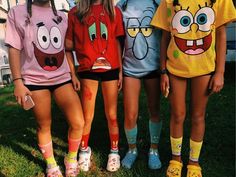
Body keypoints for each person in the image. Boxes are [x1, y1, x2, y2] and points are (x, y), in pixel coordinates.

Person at [151, 0, 236, 176]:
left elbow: (221, 34)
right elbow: (165, 36)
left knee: (198, 116)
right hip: (175, 68)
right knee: (177, 114)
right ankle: (176, 159)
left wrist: (220, 71)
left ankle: (193, 162)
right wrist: (163, 71)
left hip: (204, 69)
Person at [5, 0, 85, 176]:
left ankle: (71, 158)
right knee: (44, 125)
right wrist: (18, 81)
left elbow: (65, 49)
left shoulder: (61, 16)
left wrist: (72, 73)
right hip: (35, 81)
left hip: (62, 78)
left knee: (78, 122)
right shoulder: (17, 13)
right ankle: (51, 164)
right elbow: (13, 49)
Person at [65, 0, 124, 172]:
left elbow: (118, 43)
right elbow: (67, 47)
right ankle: (84, 149)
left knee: (111, 114)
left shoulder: (114, 11)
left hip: (111, 68)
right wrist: (72, 72)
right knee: (87, 115)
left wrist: (120, 70)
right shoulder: (75, 12)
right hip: (87, 70)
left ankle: (114, 151)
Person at [116, 0, 163, 170]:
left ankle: (154, 149)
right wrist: (119, 69)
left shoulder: (158, 3)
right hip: (130, 69)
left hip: (153, 67)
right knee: (130, 114)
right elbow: (118, 40)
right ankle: (132, 149)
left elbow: (165, 34)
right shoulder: (121, 6)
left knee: (154, 109)